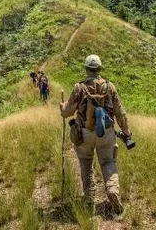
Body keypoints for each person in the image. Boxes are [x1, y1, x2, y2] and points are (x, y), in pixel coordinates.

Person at [60, 54, 130, 215]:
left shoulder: (79, 87)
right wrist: (126, 131)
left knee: (86, 164)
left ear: (86, 69)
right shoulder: (110, 87)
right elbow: (120, 112)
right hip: (106, 133)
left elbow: (67, 112)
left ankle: (89, 199)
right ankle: (112, 190)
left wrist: (62, 107)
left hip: (84, 134)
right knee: (108, 162)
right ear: (99, 69)